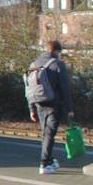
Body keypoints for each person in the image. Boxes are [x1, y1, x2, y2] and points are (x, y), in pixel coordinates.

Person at [26, 39, 71, 173]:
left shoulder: (34, 64)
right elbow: (65, 88)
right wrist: (70, 109)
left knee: (46, 133)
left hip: (38, 102)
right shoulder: (57, 64)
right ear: (56, 51)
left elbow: (28, 88)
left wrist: (31, 109)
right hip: (53, 103)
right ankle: (44, 164)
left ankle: (49, 160)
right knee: (49, 133)